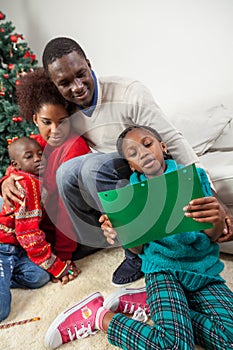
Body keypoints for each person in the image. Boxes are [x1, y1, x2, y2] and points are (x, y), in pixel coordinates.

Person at [1, 37, 232, 286]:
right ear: (55, 85)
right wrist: (8, 177)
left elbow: (170, 140)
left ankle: (134, 254)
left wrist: (209, 191)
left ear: (89, 64)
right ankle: (100, 240)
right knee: (67, 172)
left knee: (90, 167)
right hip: (119, 173)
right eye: (65, 83)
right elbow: (39, 143)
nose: (77, 87)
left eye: (81, 74)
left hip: (145, 166)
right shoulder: (67, 109)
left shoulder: (128, 92)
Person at [44, 125, 233, 350]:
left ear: (162, 147)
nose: (142, 153)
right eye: (132, 154)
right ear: (131, 165)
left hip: (202, 270)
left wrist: (219, 218)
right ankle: (98, 316)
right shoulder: (128, 198)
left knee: (228, 339)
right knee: (175, 345)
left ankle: (154, 304)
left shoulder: (194, 177)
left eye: (147, 144)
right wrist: (122, 234)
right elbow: (137, 249)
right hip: (162, 271)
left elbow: (212, 237)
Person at [15, 67, 93, 265]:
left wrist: (62, 256)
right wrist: (7, 180)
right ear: (35, 120)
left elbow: (66, 209)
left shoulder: (75, 147)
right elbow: (17, 166)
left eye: (62, 122)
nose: (55, 130)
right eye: (46, 122)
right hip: (44, 227)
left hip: (74, 233)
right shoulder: (37, 143)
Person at [0, 137, 81, 322]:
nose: (38, 159)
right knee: (1, 310)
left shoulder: (38, 181)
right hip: (4, 247)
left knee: (39, 277)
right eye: (29, 157)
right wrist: (59, 268)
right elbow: (29, 237)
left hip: (18, 250)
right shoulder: (26, 184)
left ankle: (6, 275)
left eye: (40, 155)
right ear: (16, 165)